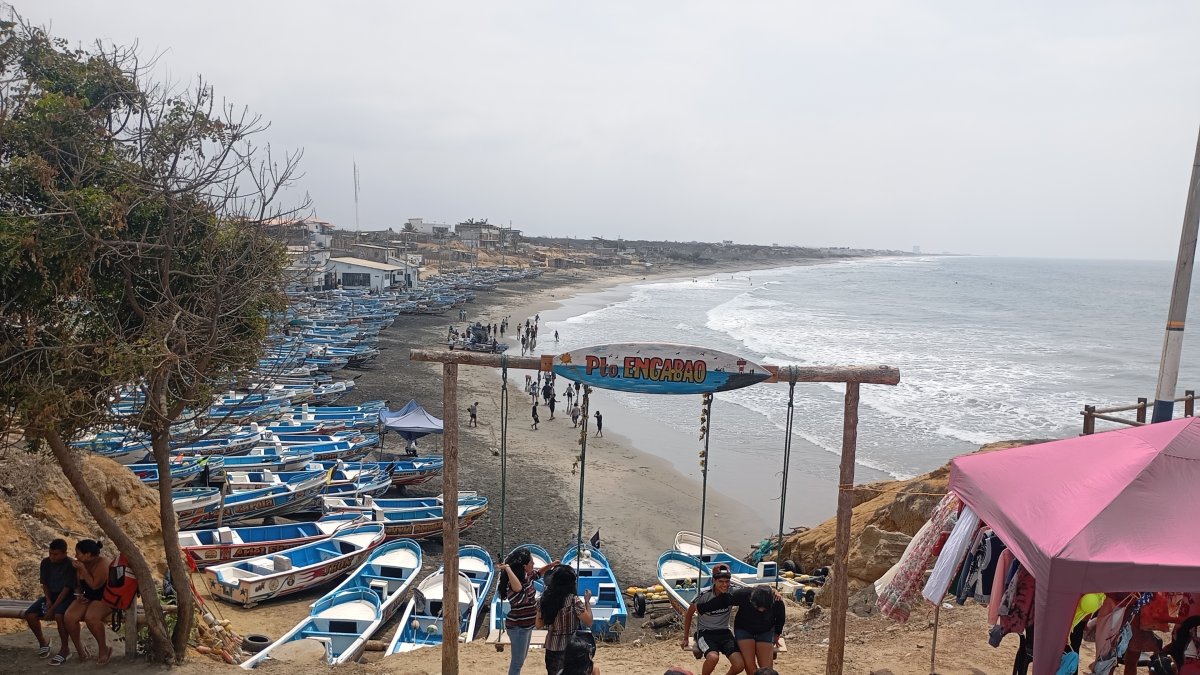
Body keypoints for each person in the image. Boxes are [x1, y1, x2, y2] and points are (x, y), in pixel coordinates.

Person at [498, 548, 557, 675]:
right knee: (517, 663)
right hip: (518, 628)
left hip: (527, 626)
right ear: (524, 566)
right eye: (531, 562)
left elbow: (538, 574)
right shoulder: (512, 585)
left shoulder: (526, 576)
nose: (534, 564)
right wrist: (507, 569)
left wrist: (550, 566)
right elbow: (519, 588)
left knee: (521, 659)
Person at [681, 566, 744, 675]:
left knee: (739, 665)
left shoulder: (733, 590)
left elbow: (752, 592)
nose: (725, 585)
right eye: (721, 581)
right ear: (713, 580)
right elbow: (689, 614)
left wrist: (773, 591)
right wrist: (686, 638)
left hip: (725, 632)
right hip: (705, 633)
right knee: (713, 658)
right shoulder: (703, 594)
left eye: (727, 581)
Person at [26, 539, 76, 662]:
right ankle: (43, 643)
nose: (52, 557)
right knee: (30, 615)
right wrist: (48, 600)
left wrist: (52, 609)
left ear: (64, 553)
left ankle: (65, 649)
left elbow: (67, 589)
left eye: (55, 554)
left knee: (59, 616)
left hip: (67, 597)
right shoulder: (45, 562)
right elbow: (45, 583)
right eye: (50, 554)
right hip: (51, 595)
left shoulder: (70, 564)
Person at [64, 539, 112, 665]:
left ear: (88, 555)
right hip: (88, 597)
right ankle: (80, 648)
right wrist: (79, 594)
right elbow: (79, 585)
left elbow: (95, 585)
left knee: (91, 618)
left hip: (105, 598)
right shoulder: (80, 563)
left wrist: (83, 569)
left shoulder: (103, 564)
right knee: (69, 617)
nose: (75, 556)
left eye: (78, 553)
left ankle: (104, 649)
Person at [537, 565, 593, 675]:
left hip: (551, 645)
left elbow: (538, 625)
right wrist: (587, 602)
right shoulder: (573, 600)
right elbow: (589, 621)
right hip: (570, 646)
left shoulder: (544, 600)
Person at [732, 586, 785, 674]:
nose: (761, 610)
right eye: (757, 606)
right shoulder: (744, 594)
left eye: (765, 608)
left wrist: (777, 634)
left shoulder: (777, 600)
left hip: (765, 631)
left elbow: (780, 618)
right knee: (750, 665)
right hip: (744, 630)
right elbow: (725, 597)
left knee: (766, 668)